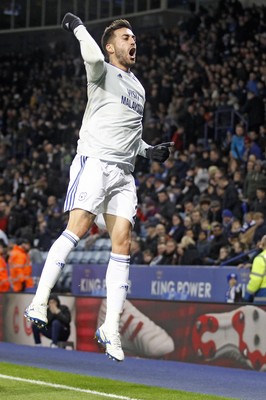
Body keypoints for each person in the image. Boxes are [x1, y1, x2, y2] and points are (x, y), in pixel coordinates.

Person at [24, 13, 173, 362]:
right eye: (125, 37)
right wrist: (77, 27)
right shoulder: (101, 72)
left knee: (123, 242)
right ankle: (40, 300)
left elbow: (131, 136)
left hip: (124, 172)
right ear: (110, 46)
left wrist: (149, 150)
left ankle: (111, 328)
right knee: (77, 228)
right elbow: (90, 56)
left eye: (133, 37)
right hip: (95, 163)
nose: (132, 41)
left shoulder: (138, 88)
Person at [243, 235, 266, 302]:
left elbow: (256, 280)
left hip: (263, 294)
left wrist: (247, 296)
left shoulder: (260, 259)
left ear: (262, 244)